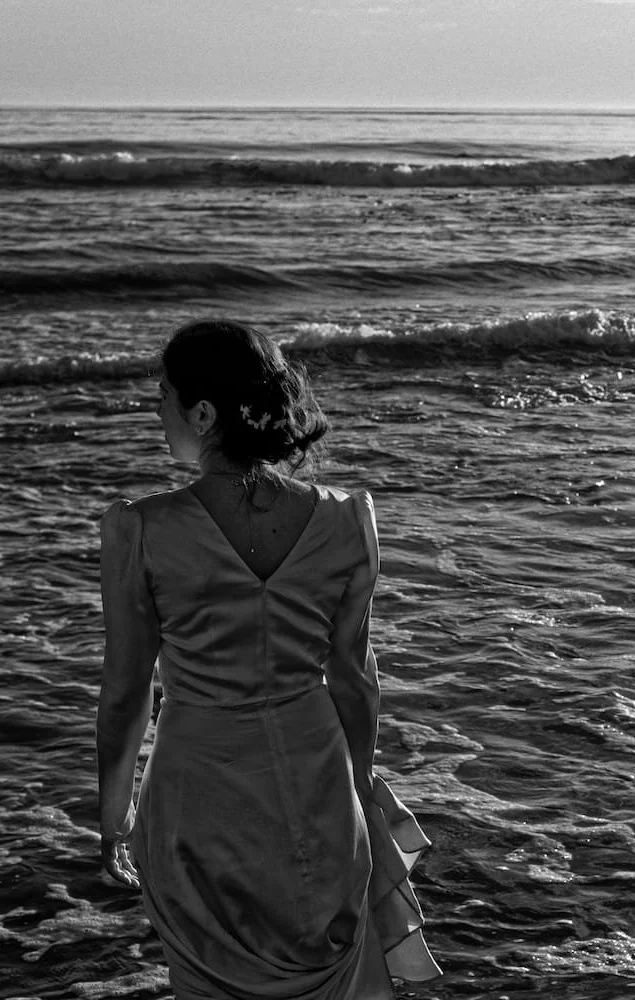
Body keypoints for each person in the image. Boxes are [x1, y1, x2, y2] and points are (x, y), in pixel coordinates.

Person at [95, 319, 441, 1000]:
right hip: (319, 786)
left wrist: (113, 816)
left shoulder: (140, 528)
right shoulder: (348, 518)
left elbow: (126, 694)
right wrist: (358, 783)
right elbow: (355, 679)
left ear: (203, 414)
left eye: (162, 397)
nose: (157, 413)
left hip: (199, 798)